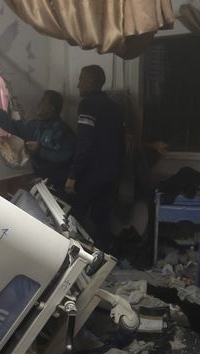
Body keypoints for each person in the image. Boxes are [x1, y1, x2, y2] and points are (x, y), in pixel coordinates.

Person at [65, 65, 125, 251]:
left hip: (90, 174)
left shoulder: (88, 105)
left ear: (91, 82)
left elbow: (85, 142)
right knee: (102, 219)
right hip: (111, 173)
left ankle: (73, 259)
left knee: (75, 217)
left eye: (81, 80)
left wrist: (73, 176)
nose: (77, 85)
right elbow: (120, 142)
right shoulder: (113, 106)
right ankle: (105, 258)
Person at [0, 91, 74, 194]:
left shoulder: (62, 131)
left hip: (58, 186)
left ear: (51, 108)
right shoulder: (35, 125)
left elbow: (64, 156)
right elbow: (14, 127)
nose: (39, 104)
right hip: (40, 182)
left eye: (42, 102)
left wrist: (40, 150)